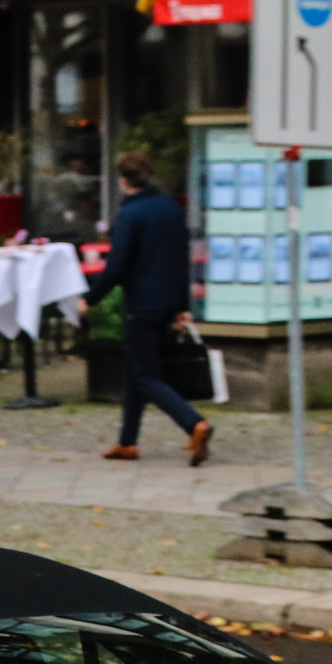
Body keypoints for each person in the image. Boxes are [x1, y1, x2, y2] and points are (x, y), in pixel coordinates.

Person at [90, 150, 212, 466]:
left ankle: (193, 423)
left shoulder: (131, 215)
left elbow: (115, 267)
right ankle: (127, 442)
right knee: (136, 369)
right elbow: (180, 258)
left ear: (123, 180)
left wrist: (89, 299)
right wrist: (182, 305)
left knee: (146, 376)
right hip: (167, 302)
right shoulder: (171, 208)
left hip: (141, 304)